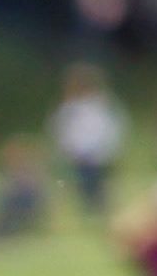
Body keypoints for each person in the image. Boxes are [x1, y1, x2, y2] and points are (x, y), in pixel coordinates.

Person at [52, 65, 125, 220]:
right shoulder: (70, 108)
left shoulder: (102, 105)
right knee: (83, 188)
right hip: (78, 154)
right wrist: (68, 149)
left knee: (99, 187)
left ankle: (101, 214)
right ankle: (90, 215)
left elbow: (111, 128)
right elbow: (62, 130)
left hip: (98, 154)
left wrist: (108, 149)